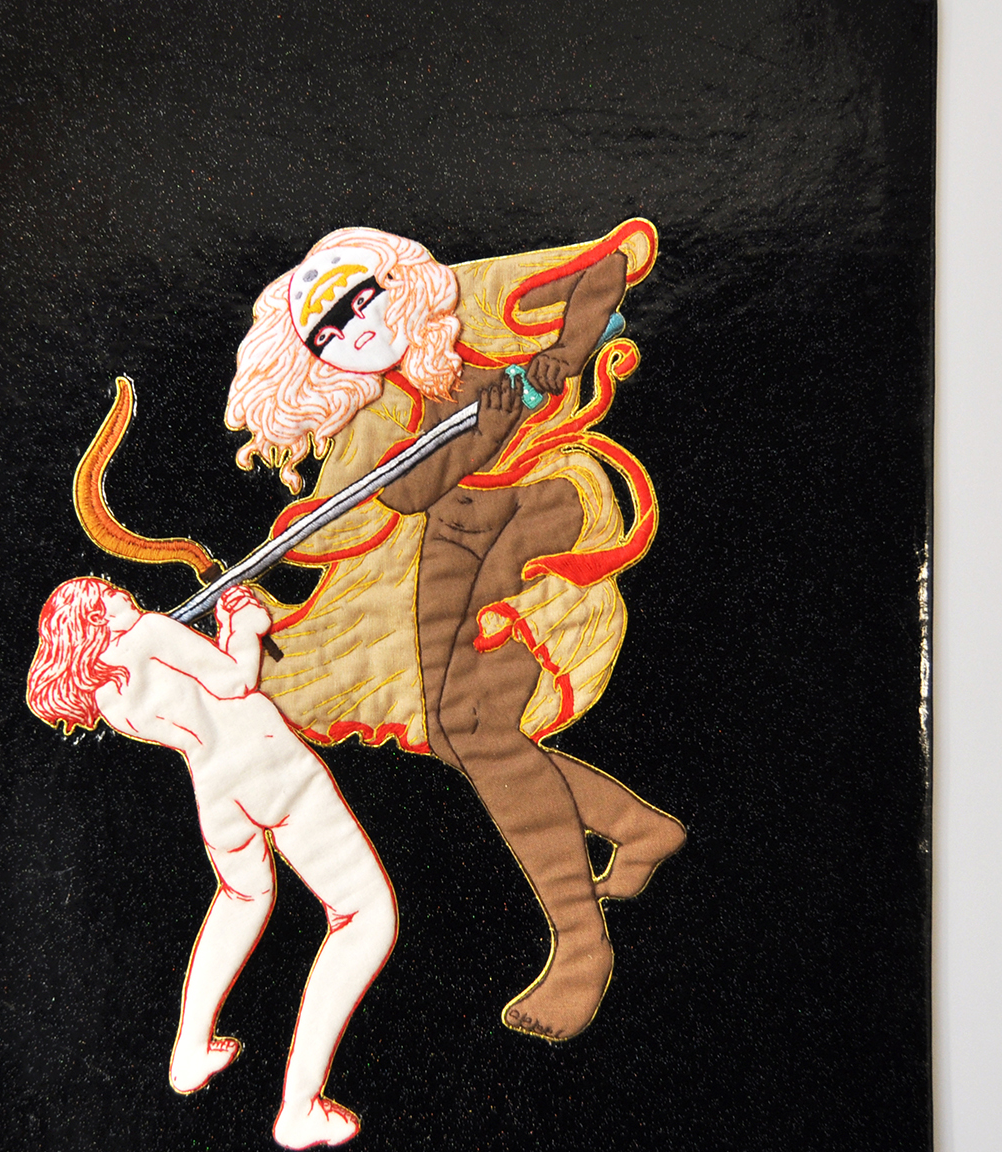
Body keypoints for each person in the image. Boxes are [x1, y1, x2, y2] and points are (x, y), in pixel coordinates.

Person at [223, 223, 686, 1043]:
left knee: (478, 721)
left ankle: (583, 946)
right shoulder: (371, 406)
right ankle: (640, 827)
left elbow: (608, 266)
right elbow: (406, 494)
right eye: (325, 333)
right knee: (451, 730)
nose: (350, 331)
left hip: (542, 499)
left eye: (355, 302)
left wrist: (560, 357)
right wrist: (480, 432)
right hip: (453, 530)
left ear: (394, 280)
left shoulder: (471, 297)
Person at [25, 576, 397, 1149]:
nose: (124, 593)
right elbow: (233, 682)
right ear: (93, 616)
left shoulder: (107, 695)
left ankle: (190, 1051)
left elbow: (194, 705)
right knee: (365, 916)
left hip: (219, 796)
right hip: (271, 767)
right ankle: (300, 1106)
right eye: (108, 592)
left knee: (243, 899)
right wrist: (244, 626)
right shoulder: (148, 632)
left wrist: (223, 633)